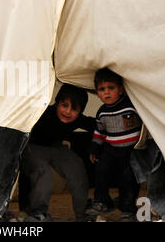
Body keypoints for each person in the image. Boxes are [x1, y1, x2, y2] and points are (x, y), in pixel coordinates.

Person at [20, 84, 95, 222]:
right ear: (56, 103)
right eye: (64, 105)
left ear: (80, 112)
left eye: (74, 109)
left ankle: (82, 212)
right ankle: (38, 213)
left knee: (76, 167)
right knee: (43, 174)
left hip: (56, 147)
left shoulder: (78, 119)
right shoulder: (43, 112)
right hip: (33, 146)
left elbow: (97, 124)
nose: (67, 111)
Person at [88, 68, 141, 222]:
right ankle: (102, 201)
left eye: (111, 88)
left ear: (121, 89)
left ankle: (128, 210)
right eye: (102, 89)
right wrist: (94, 148)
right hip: (110, 150)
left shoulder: (131, 105)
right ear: (97, 92)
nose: (107, 93)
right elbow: (100, 132)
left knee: (128, 177)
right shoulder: (101, 112)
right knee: (101, 170)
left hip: (131, 150)